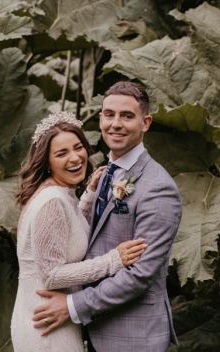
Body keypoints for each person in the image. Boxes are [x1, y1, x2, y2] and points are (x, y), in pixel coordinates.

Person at [32, 82, 182, 352]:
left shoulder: (158, 187)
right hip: (98, 327)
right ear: (100, 118)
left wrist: (72, 306)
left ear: (145, 122)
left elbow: (140, 274)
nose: (116, 124)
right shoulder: (107, 173)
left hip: (133, 334)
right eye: (109, 114)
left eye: (127, 116)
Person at [11, 111, 147, 352]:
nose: (75, 158)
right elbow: (51, 274)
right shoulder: (51, 201)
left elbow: (68, 230)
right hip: (46, 326)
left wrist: (88, 196)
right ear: (46, 161)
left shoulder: (56, 193)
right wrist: (113, 260)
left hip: (46, 315)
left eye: (78, 147)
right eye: (62, 153)